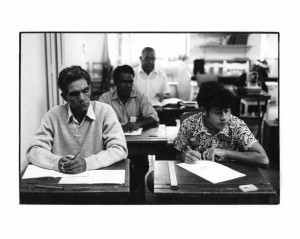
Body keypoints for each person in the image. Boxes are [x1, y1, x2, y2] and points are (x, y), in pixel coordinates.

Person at [26, 65, 128, 174]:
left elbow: (119, 149)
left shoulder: (105, 111)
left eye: (85, 91)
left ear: (91, 88)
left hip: (97, 180)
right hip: (62, 181)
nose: (82, 98)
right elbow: (34, 150)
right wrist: (57, 162)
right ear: (65, 97)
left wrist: (87, 163)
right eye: (74, 94)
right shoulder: (53, 115)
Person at [174, 81, 269, 169]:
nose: (224, 117)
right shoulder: (189, 124)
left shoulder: (236, 125)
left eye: (227, 111)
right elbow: (178, 152)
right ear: (203, 111)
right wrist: (184, 156)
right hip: (196, 178)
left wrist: (226, 152)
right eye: (218, 112)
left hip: (231, 179)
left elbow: (264, 160)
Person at [99, 65, 159, 202]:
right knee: (116, 169)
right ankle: (124, 196)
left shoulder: (139, 97)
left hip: (136, 147)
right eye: (123, 82)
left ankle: (130, 195)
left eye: (130, 81)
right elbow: (97, 123)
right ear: (115, 83)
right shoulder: (105, 99)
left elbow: (154, 117)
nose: (128, 85)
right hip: (112, 146)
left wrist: (138, 124)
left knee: (142, 167)